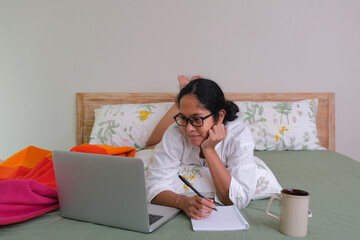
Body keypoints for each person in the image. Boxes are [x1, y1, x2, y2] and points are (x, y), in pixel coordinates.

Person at [146, 76, 257, 220]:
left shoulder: (239, 136)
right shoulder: (175, 133)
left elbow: (238, 200)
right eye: (183, 118)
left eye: (197, 119)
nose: (188, 128)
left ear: (220, 116)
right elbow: (153, 188)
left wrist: (209, 149)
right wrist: (182, 202)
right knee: (150, 146)